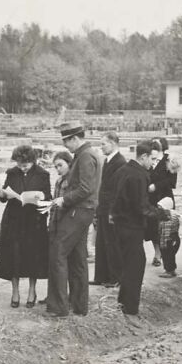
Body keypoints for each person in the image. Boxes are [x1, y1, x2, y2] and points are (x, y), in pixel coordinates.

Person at [47, 121, 102, 317]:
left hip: (77, 211)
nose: (65, 146)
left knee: (58, 253)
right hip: (83, 211)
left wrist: (64, 199)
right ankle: (79, 306)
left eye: (66, 141)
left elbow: (85, 188)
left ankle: (59, 307)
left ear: (75, 138)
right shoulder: (87, 154)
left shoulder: (86, 156)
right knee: (78, 259)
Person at [110, 140, 168, 318]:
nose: (152, 163)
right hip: (132, 227)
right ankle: (130, 310)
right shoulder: (138, 175)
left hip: (120, 226)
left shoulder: (122, 170)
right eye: (151, 159)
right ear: (143, 157)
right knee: (135, 267)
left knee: (128, 267)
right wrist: (162, 213)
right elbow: (141, 207)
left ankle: (123, 305)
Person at [0, 145, 51, 308]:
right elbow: (6, 195)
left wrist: (39, 198)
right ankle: (15, 291)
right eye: (20, 163)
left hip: (34, 221)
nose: (22, 167)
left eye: (26, 164)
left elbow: (48, 197)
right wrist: (3, 194)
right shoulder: (12, 173)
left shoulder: (43, 174)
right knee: (14, 256)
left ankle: (32, 291)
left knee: (33, 256)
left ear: (33, 161)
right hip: (14, 220)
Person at [91, 131, 126, 287]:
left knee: (112, 244)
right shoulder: (108, 161)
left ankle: (115, 278)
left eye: (103, 143)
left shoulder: (120, 162)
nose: (102, 147)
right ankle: (101, 276)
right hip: (103, 208)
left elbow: (116, 191)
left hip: (110, 210)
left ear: (113, 143)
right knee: (101, 243)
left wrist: (112, 211)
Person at [41, 151, 73, 306]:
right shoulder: (59, 181)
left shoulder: (71, 182)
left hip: (65, 226)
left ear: (69, 163)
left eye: (60, 165)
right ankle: (53, 296)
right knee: (52, 263)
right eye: (55, 167)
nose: (58, 169)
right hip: (54, 223)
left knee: (60, 264)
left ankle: (60, 299)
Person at [146, 138, 177, 268]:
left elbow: (172, 182)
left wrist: (156, 186)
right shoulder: (148, 160)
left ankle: (168, 258)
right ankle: (157, 254)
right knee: (152, 227)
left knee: (165, 228)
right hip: (150, 199)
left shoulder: (169, 160)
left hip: (164, 198)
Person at [158, 158, 182, 278]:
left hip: (168, 239)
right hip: (174, 238)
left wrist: (162, 243)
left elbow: (164, 235)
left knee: (167, 250)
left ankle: (169, 269)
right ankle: (170, 268)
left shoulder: (166, 219)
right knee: (170, 252)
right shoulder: (174, 217)